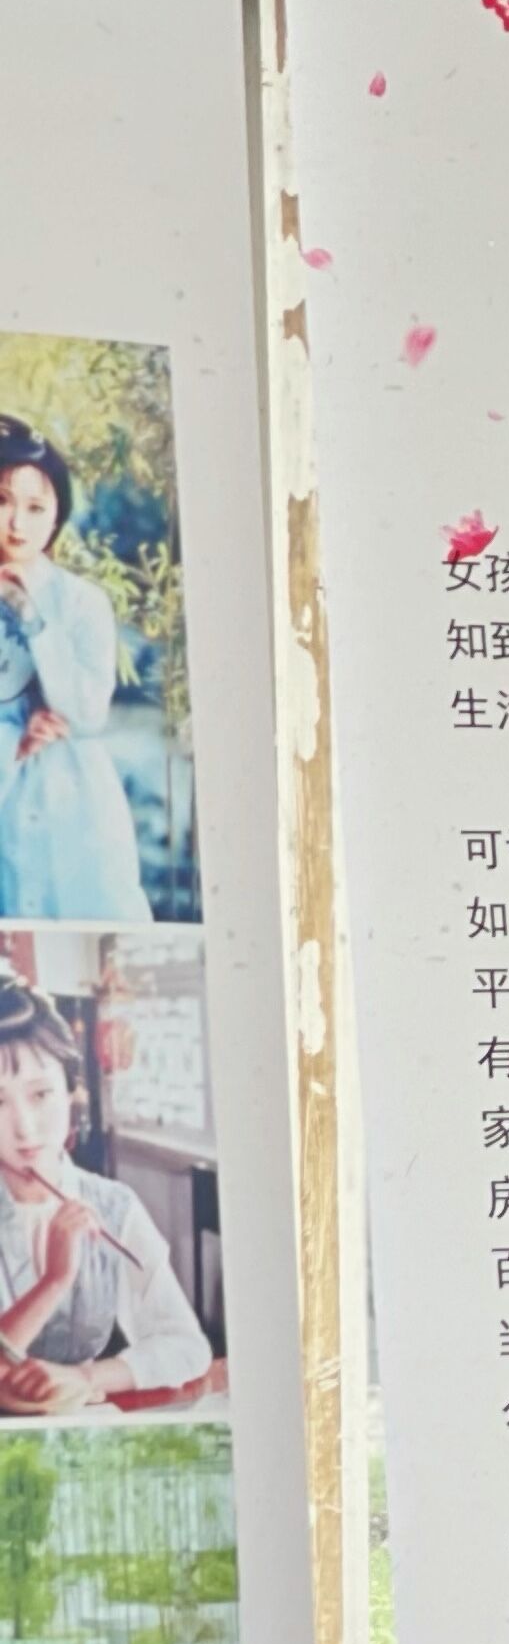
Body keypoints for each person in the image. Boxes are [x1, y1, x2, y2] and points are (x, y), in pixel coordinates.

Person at [0, 970, 208, 1411]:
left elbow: (187, 1346)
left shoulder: (113, 1206)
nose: (25, 1128)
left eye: (40, 1095)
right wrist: (55, 1281)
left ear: (71, 1092)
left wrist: (85, 1377)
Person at [0, 421, 153, 925]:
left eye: (36, 507)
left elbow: (85, 712)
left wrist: (32, 618)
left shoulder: (83, 601)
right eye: (2, 501)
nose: (17, 523)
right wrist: (15, 742)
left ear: (57, 516)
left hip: (72, 799)